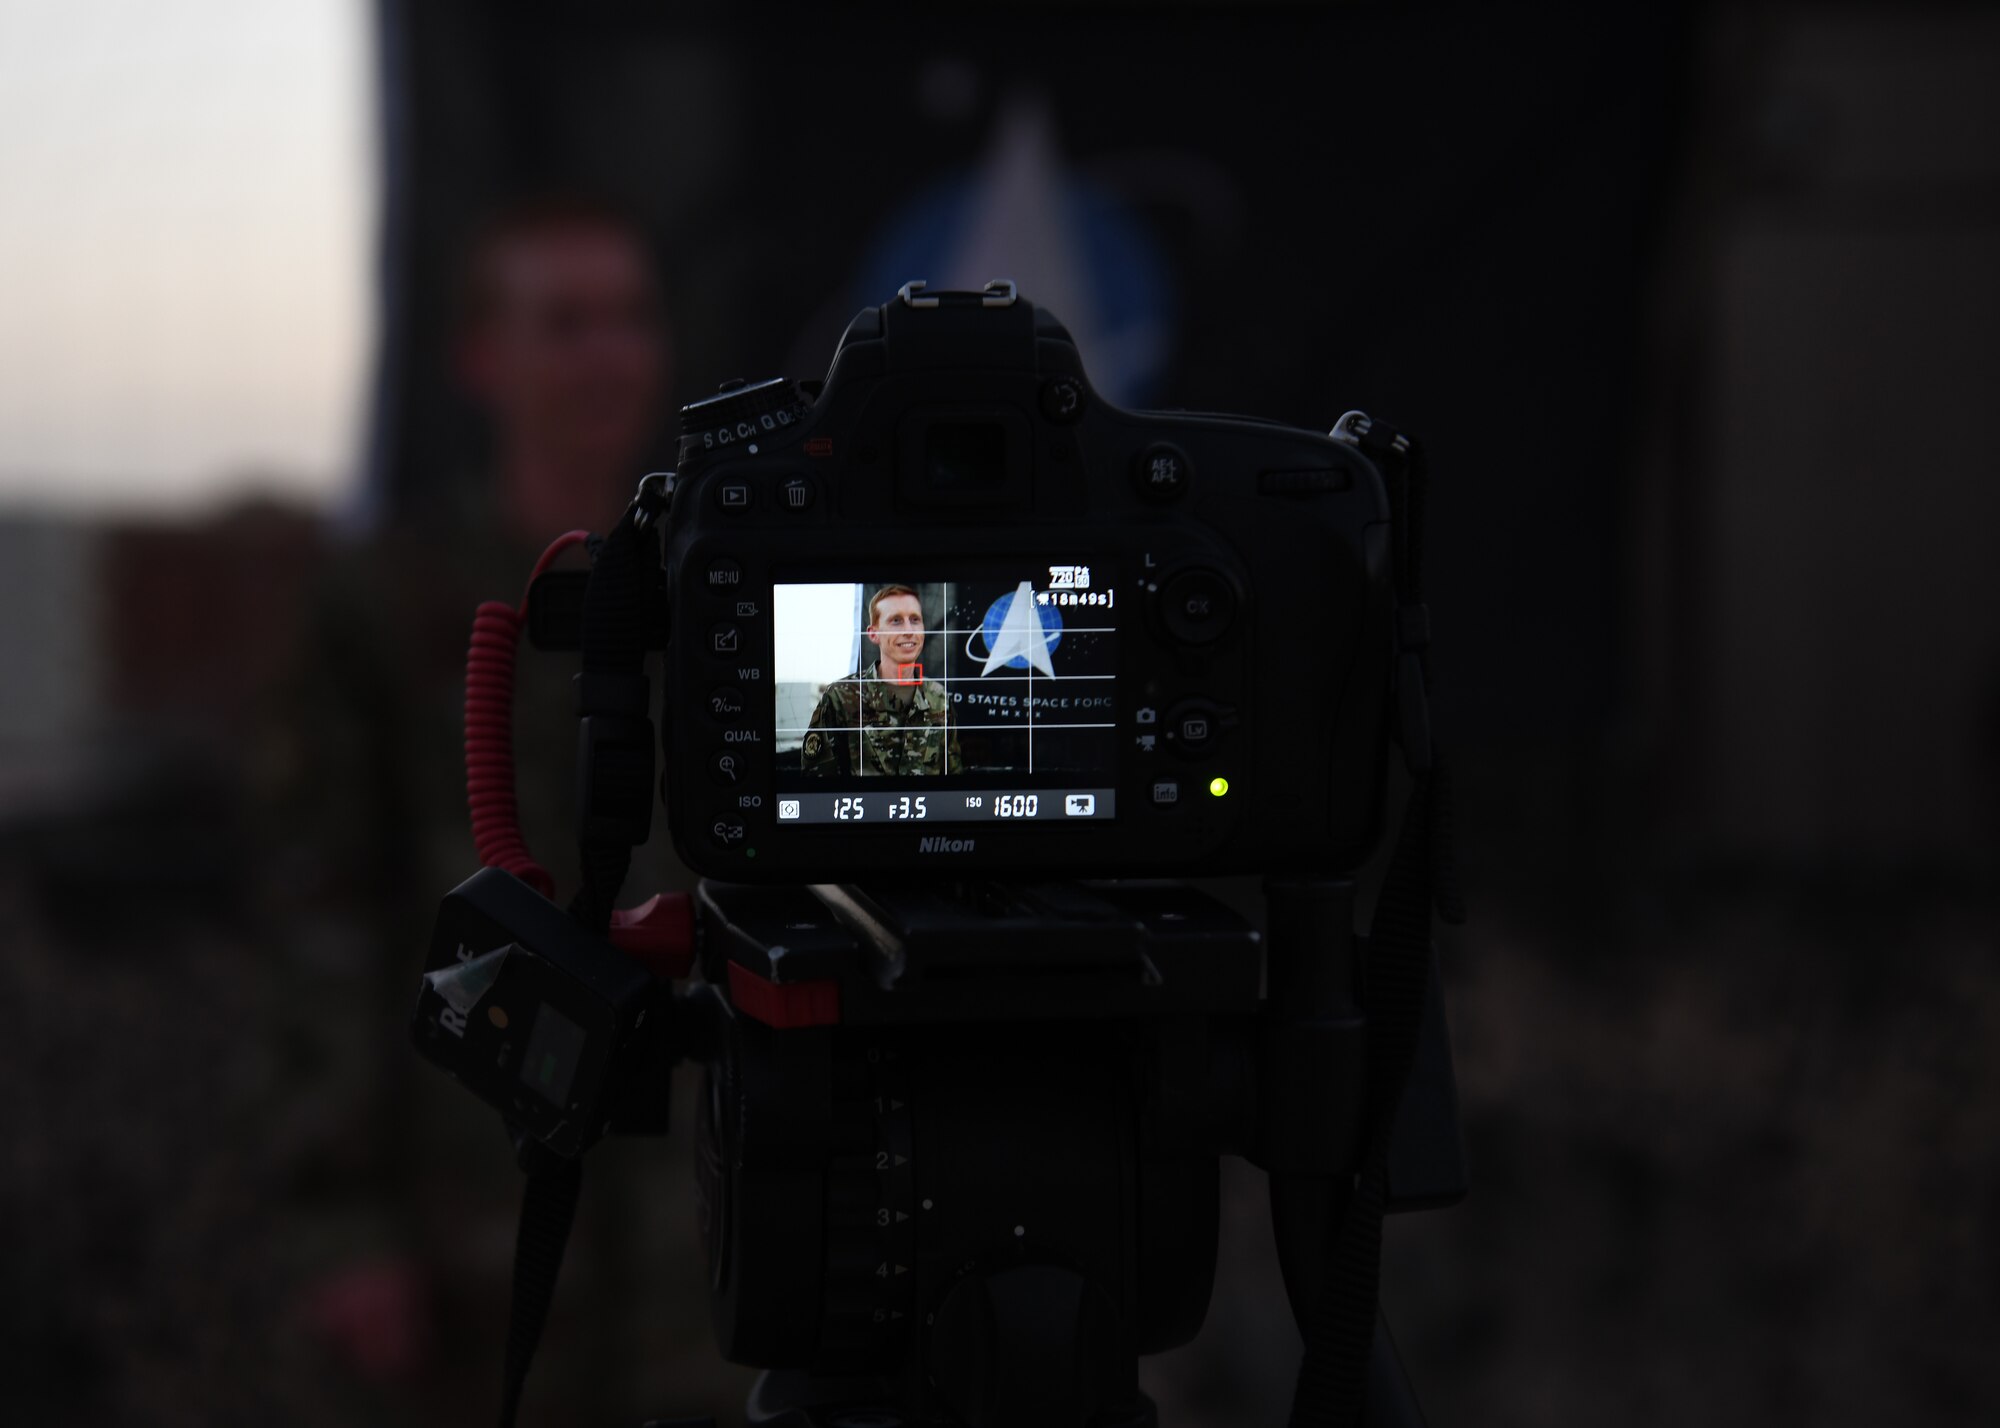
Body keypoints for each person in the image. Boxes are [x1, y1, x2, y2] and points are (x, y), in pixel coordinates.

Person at [801, 584, 964, 776]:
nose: (909, 630)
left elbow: (953, 775)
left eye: (915, 620)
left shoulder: (939, 698)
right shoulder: (840, 697)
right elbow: (816, 781)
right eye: (896, 621)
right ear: (873, 633)